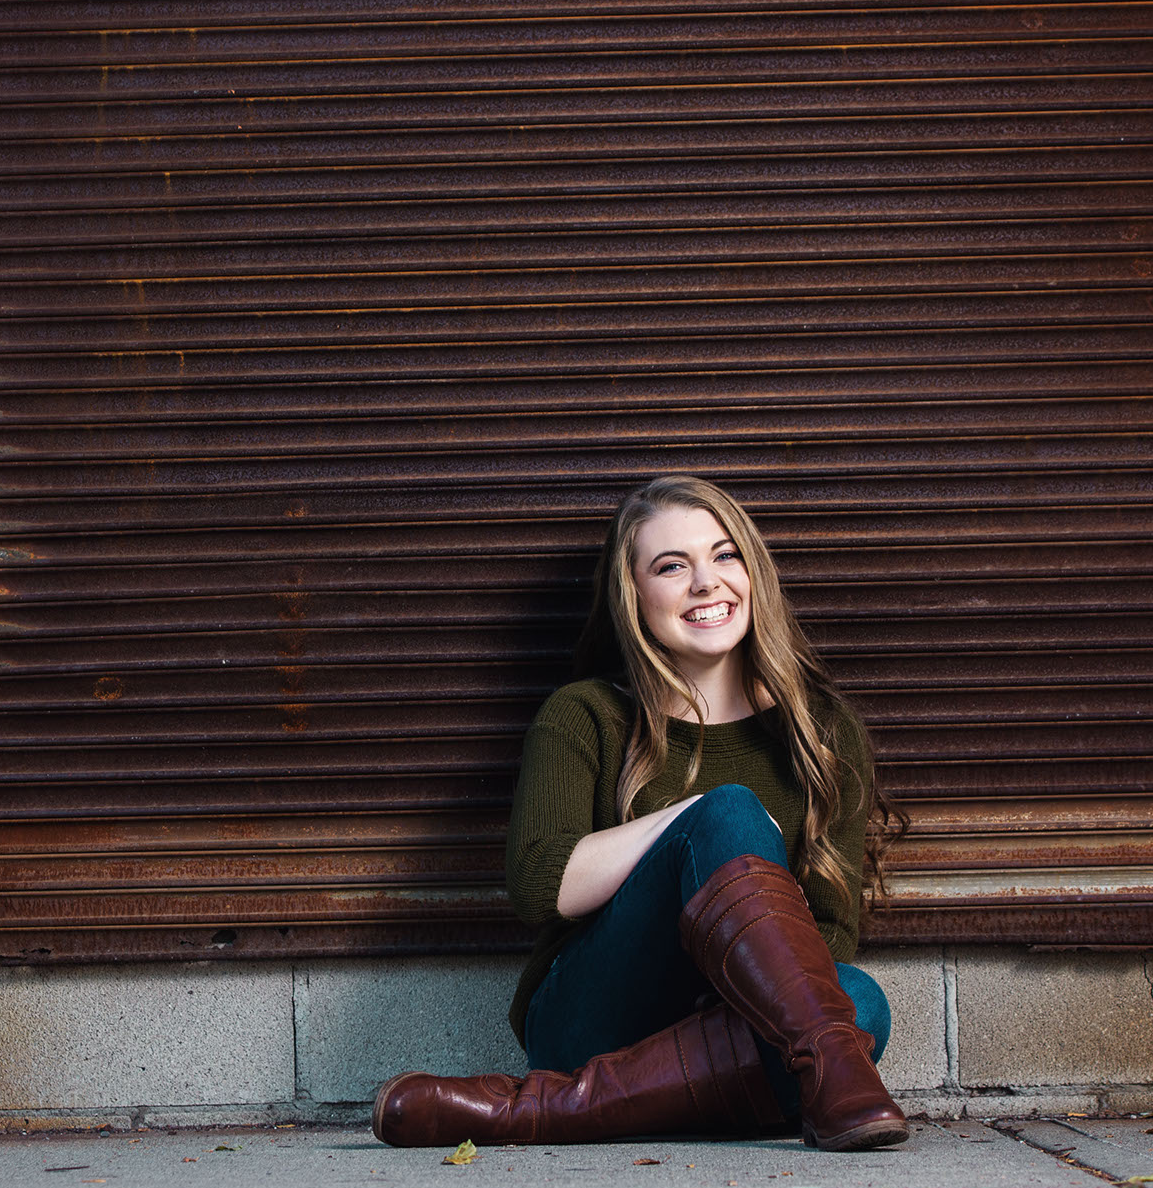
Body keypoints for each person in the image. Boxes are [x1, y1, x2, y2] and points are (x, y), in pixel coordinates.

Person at [373, 475, 910, 1152]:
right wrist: (690, 821)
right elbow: (540, 885)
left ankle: (540, 1112)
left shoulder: (822, 732)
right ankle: (682, 1092)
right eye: (671, 566)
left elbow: (829, 933)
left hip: (729, 1028)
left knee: (860, 1007)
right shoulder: (587, 715)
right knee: (731, 821)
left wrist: (734, 992)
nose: (706, 583)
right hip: (591, 1018)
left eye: (724, 555)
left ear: (753, 573)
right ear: (634, 595)